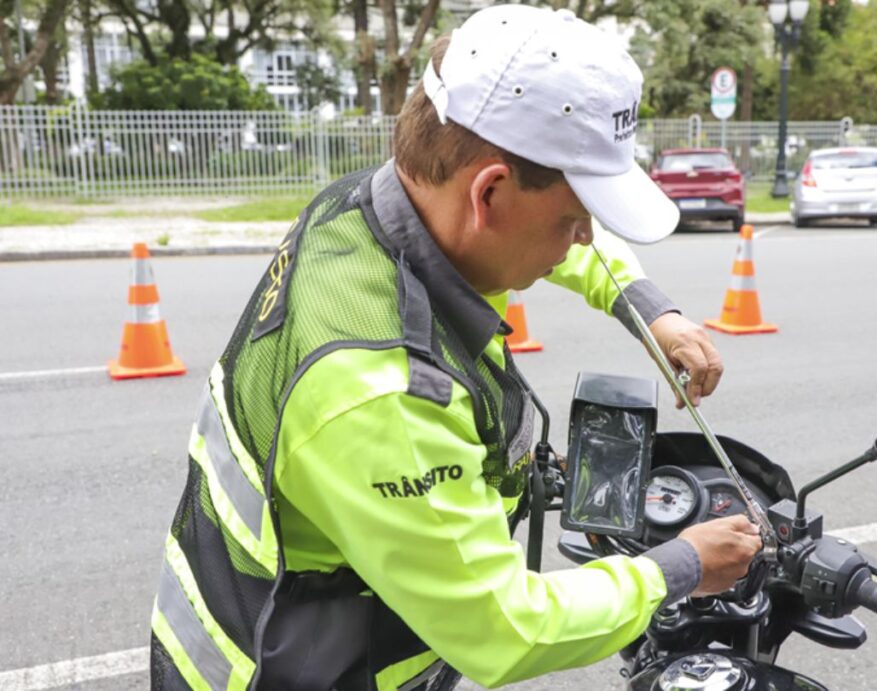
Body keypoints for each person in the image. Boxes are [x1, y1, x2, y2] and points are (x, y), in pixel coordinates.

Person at [149, 5, 761, 690]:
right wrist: (682, 566)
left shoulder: (363, 207)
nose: (584, 238)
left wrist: (652, 312)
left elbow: (550, 245)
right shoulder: (382, 391)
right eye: (574, 218)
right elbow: (504, 628)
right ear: (490, 192)